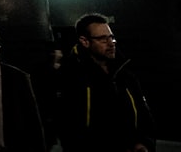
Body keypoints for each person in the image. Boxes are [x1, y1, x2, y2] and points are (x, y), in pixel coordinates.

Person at [55, 13, 155, 152]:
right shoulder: (71, 76)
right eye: (102, 39)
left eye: (112, 37)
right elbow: (68, 127)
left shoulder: (124, 74)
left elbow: (143, 114)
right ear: (85, 41)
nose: (111, 44)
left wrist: (144, 142)